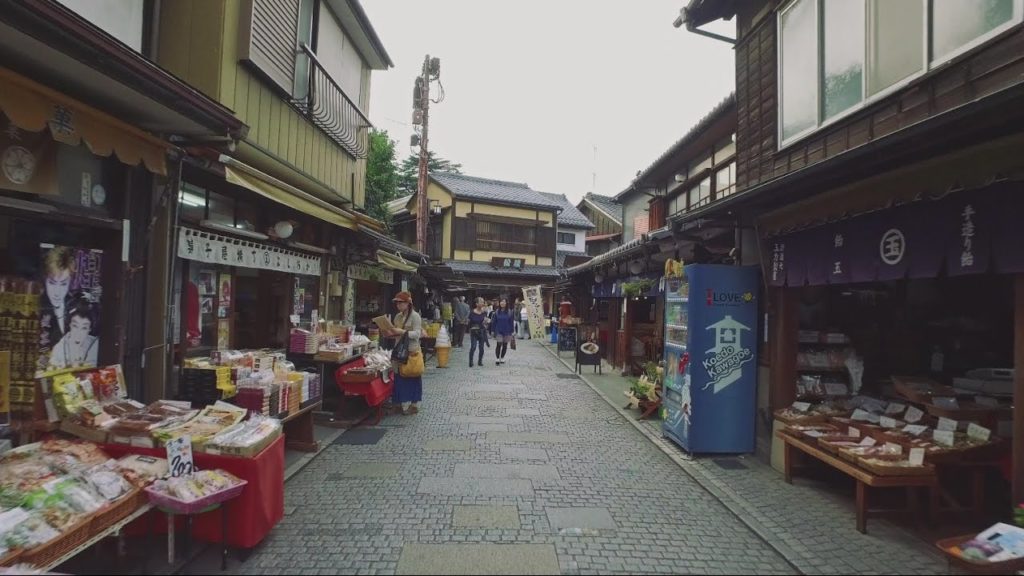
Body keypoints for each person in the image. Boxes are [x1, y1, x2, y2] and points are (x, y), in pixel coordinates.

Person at [383, 291, 423, 415]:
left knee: (413, 377)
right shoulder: (398, 317)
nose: (398, 305)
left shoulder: (415, 316)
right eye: (397, 302)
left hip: (411, 351)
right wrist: (389, 333)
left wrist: (401, 332)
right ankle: (398, 404)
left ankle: (414, 404)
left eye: (401, 302)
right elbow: (396, 334)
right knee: (399, 378)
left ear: (408, 303)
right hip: (399, 352)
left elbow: (417, 334)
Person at [48, 297, 99, 370]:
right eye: (75, 326)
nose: (78, 332)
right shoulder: (59, 348)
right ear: (70, 324)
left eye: (84, 328)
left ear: (89, 329)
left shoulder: (94, 344)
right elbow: (52, 367)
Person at [492, 298, 516, 365]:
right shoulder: (496, 312)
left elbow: (511, 322)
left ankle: (502, 357)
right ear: (499, 303)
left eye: (504, 302)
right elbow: (494, 322)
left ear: (506, 303)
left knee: (505, 345)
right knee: (499, 344)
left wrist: (512, 331)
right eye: (501, 302)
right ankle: (497, 358)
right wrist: (493, 330)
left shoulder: (509, 312)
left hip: (507, 330)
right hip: (498, 330)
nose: (502, 303)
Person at [468, 297, 489, 368]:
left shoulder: (484, 313)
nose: (482, 303)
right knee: (473, 347)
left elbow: (485, 323)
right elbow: (469, 322)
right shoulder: (471, 312)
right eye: (481, 302)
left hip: (481, 331)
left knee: (481, 348)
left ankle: (480, 361)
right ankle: (470, 361)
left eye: (483, 302)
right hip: (474, 332)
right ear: (476, 304)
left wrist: (486, 322)